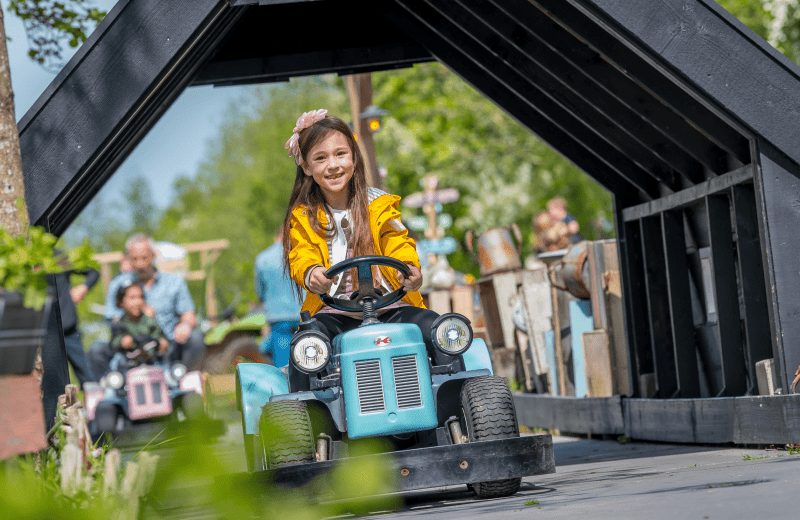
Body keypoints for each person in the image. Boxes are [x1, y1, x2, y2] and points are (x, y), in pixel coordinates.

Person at [281, 110, 448, 367]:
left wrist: (409, 267)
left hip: (389, 305)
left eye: (340, 154)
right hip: (335, 312)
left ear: (354, 157)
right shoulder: (305, 216)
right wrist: (311, 271)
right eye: (321, 158)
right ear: (306, 166)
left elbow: (396, 240)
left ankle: (452, 393)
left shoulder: (378, 204)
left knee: (440, 331)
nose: (333, 165)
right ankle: (307, 406)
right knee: (306, 348)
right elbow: (302, 253)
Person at [88, 234, 205, 376]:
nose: (140, 264)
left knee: (196, 338)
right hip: (130, 345)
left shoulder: (174, 282)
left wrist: (184, 326)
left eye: (144, 258)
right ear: (128, 259)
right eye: (135, 259)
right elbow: (113, 320)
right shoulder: (118, 284)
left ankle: (186, 386)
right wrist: (135, 316)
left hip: (166, 344)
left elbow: (189, 314)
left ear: (154, 255)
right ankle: (112, 390)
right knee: (96, 349)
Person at [51, 250, 100, 387]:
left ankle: (95, 405)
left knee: (87, 377)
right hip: (45, 333)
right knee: (54, 382)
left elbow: (93, 272)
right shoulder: (25, 258)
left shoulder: (56, 256)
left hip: (68, 328)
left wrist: (83, 287)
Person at [255, 229, 303, 368]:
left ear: (276, 236)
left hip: (278, 318)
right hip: (303, 314)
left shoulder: (263, 258)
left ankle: (286, 387)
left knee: (283, 365)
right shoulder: (301, 255)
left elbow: (260, 292)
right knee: (306, 359)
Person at [109, 281, 169, 370]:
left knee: (166, 368)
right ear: (120, 302)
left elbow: (159, 336)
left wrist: (162, 343)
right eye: (132, 298)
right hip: (128, 362)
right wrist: (123, 341)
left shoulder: (150, 321)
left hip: (151, 360)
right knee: (116, 361)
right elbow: (114, 342)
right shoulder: (119, 323)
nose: (137, 302)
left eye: (140, 297)